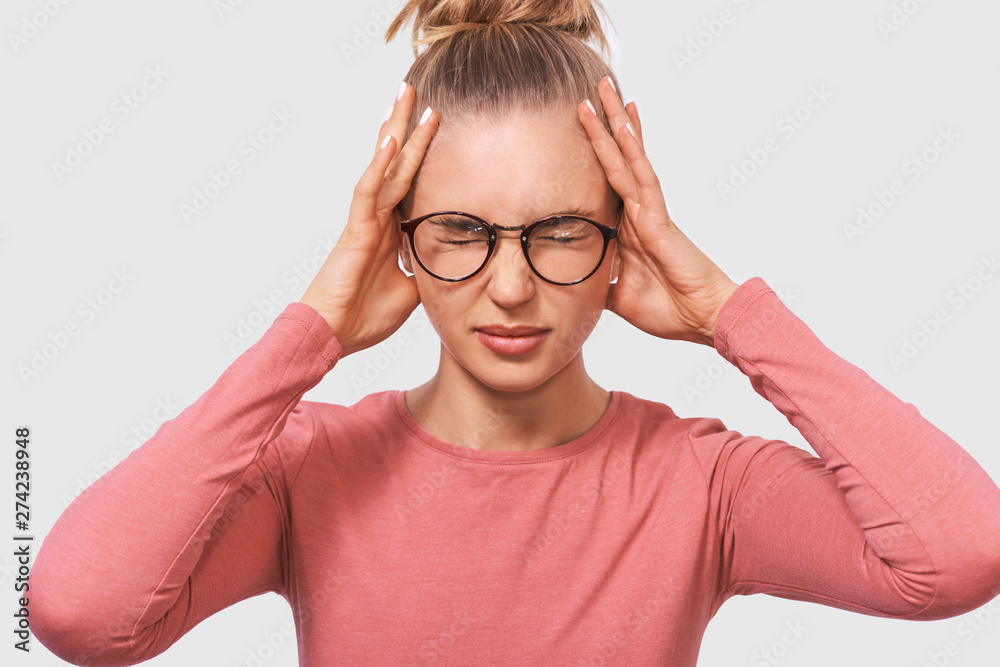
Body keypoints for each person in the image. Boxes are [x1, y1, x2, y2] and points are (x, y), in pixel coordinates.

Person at [28, 0, 1000, 665]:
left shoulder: (702, 483)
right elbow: (79, 611)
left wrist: (726, 314)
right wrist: (308, 333)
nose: (509, 286)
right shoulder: (308, 469)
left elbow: (959, 555)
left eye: (559, 233)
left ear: (625, 243)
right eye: (460, 231)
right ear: (396, 243)